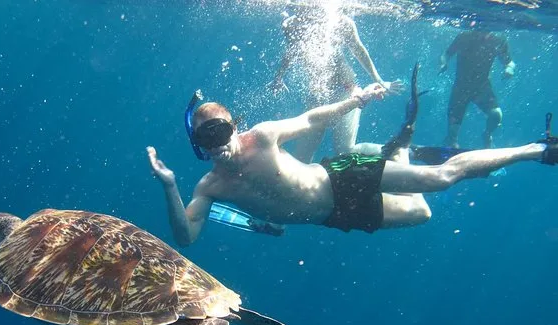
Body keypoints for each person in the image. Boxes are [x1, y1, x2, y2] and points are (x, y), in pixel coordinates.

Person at [147, 77, 556, 247]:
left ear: (235, 127)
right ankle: (400, 148)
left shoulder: (263, 136)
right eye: (205, 138)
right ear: (197, 145)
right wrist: (169, 186)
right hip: (334, 215)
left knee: (442, 178)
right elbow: (186, 237)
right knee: (422, 213)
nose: (217, 143)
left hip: (341, 178)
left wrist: (354, 101)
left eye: (220, 131)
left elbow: (311, 119)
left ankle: (536, 150)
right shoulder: (210, 187)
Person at [268, 1, 403, 163]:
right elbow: (291, 51)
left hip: (345, 90)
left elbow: (359, 51)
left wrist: (379, 80)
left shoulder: (342, 22)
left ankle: (399, 151)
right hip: (316, 96)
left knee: (345, 150)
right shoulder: (290, 24)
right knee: (301, 157)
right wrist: (278, 77)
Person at [439, 29, 516, 149]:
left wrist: (509, 69)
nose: (483, 34)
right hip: (461, 87)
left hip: (482, 87)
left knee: (496, 114)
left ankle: (487, 135)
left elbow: (509, 62)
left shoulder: (498, 39)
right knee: (453, 131)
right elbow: (446, 54)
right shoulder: (464, 37)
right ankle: (451, 142)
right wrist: (444, 63)